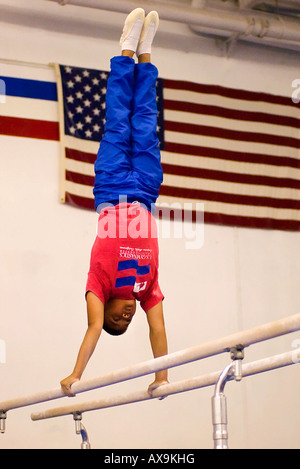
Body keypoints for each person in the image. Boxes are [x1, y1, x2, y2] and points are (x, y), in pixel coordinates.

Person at [60, 9, 169, 398]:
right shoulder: (146, 289)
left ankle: (125, 48)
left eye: (115, 322)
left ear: (104, 308)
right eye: (127, 323)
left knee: (118, 122)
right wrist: (162, 376)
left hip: (110, 188)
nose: (125, 318)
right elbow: (157, 328)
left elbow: (92, 331)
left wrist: (76, 374)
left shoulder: (99, 285)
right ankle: (147, 54)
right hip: (144, 190)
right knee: (146, 120)